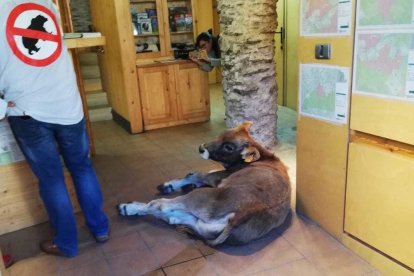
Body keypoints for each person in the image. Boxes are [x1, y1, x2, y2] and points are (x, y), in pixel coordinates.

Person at [0, 0, 109, 257]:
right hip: (68, 103)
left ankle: (66, 244)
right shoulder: (46, 2)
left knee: (51, 179)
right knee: (83, 169)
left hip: (27, 109)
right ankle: (100, 228)